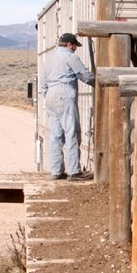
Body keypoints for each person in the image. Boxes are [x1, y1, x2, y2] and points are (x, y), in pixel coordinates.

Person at [40, 33, 95, 181]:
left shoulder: (49, 60)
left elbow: (43, 84)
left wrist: (49, 95)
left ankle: (57, 171)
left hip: (50, 94)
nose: (75, 48)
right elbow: (85, 76)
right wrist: (98, 83)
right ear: (70, 45)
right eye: (75, 46)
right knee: (71, 132)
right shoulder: (70, 56)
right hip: (64, 92)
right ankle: (74, 171)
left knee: (56, 135)